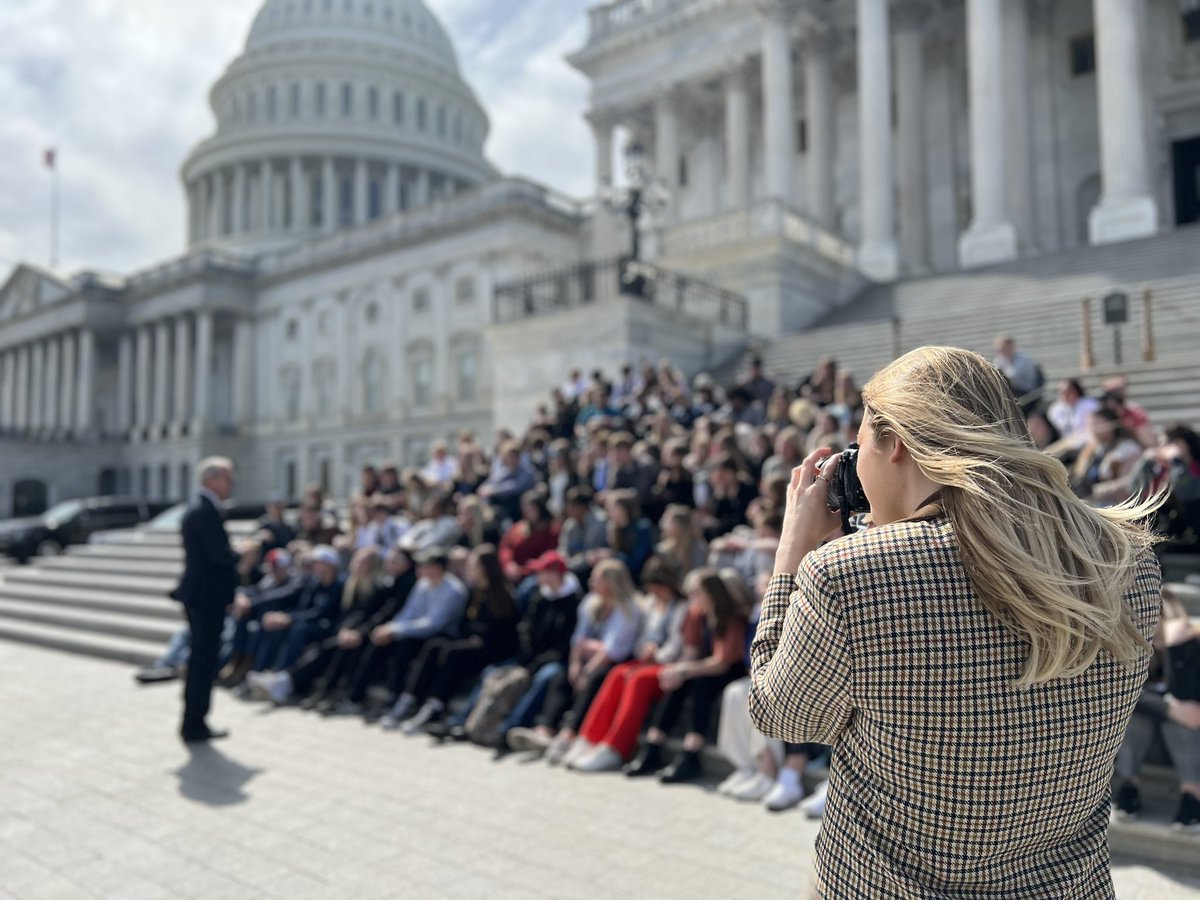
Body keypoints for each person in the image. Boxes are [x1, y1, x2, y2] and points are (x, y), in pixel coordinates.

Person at [749, 346, 1163, 898]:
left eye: (862, 444)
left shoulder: (846, 577)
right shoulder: (1128, 558)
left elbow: (783, 716)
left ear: (895, 444)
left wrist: (790, 562)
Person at [622, 568, 748, 784]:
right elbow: (692, 651)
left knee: (700, 685)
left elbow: (722, 662)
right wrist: (676, 671)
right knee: (679, 683)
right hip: (703, 666)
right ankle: (654, 746)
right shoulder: (696, 615)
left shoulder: (730, 617)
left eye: (696, 592)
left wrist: (684, 670)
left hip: (729, 671)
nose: (691, 597)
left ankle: (692, 753)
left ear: (711, 592)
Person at [384, 544, 521, 733]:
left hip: (493, 648)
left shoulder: (501, 594)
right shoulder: (476, 591)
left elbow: (497, 632)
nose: (470, 569)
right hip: (474, 641)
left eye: (473, 565)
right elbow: (467, 623)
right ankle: (410, 699)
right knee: (434, 647)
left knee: (452, 653)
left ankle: (436, 705)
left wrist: (473, 634)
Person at [1113, 591, 1200, 834]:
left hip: (1186, 737)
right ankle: (1129, 787)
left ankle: (1192, 795)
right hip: (1146, 738)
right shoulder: (1134, 648)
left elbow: (1189, 703)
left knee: (1181, 721)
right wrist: (1167, 708)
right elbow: (1127, 695)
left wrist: (1177, 649)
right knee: (1134, 717)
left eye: (1159, 615)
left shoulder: (1189, 648)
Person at [171, 457, 239, 744]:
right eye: (228, 477)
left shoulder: (199, 507)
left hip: (200, 594)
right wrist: (241, 556)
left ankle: (194, 720)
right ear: (212, 479)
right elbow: (218, 555)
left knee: (200, 659)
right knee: (203, 660)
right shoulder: (205, 510)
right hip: (205, 596)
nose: (232, 483)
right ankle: (195, 723)